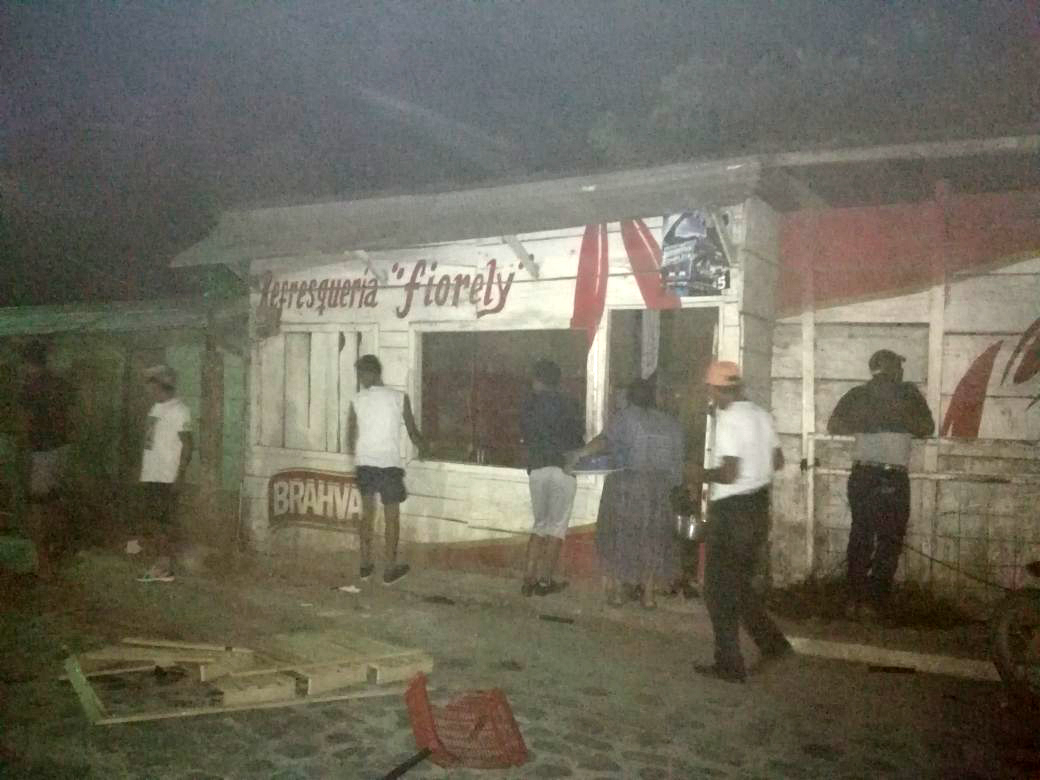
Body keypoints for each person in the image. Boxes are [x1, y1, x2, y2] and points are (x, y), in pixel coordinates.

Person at [691, 360, 791, 682]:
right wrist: (754, 469)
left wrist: (700, 475)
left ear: (718, 389)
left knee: (717, 591)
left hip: (732, 513)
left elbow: (730, 474)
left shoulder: (729, 417)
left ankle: (730, 664)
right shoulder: (761, 414)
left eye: (710, 389)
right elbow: (778, 460)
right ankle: (773, 643)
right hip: (758, 507)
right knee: (737, 585)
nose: (710, 395)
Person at [827, 349, 935, 620]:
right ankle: (873, 600)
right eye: (898, 366)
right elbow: (925, 427)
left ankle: (857, 599)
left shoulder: (861, 395)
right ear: (888, 370)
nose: (901, 371)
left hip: (866, 475)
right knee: (888, 538)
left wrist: (876, 417)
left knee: (864, 535)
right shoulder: (904, 395)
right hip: (889, 476)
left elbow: (926, 428)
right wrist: (887, 416)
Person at [569, 377, 683, 609]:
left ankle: (620, 593)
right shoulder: (670, 423)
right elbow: (677, 466)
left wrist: (579, 453)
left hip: (627, 488)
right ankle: (648, 597)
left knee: (621, 538)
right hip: (659, 491)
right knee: (652, 541)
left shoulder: (624, 417)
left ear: (629, 397)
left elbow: (604, 441)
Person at [347, 354, 424, 586]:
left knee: (367, 516)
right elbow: (412, 432)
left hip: (366, 465)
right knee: (391, 519)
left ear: (372, 373)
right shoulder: (399, 397)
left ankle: (365, 566)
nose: (360, 379)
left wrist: (356, 458)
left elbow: (351, 435)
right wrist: (427, 448)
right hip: (389, 465)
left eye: (361, 374)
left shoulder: (357, 399)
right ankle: (389, 569)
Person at [518, 359, 584, 597]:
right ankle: (545, 582)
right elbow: (578, 439)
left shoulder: (529, 405)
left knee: (539, 526)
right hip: (563, 470)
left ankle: (528, 580)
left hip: (537, 469)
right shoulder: (571, 404)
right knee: (556, 529)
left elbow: (524, 436)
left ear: (538, 380)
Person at [17, 340, 74, 580]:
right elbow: (73, 416)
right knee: (54, 501)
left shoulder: (29, 387)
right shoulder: (60, 383)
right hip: (62, 449)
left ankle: (44, 565)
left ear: (26, 362)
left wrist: (23, 454)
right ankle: (58, 550)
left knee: (37, 506)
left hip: (40, 451)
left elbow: (24, 424)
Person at [137, 365, 193, 583]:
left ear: (160, 385)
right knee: (155, 521)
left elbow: (188, 445)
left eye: (150, 383)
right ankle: (161, 564)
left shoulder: (179, 410)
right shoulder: (156, 408)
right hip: (152, 473)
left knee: (163, 522)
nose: (147, 388)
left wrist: (180, 476)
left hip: (166, 476)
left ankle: (164, 567)